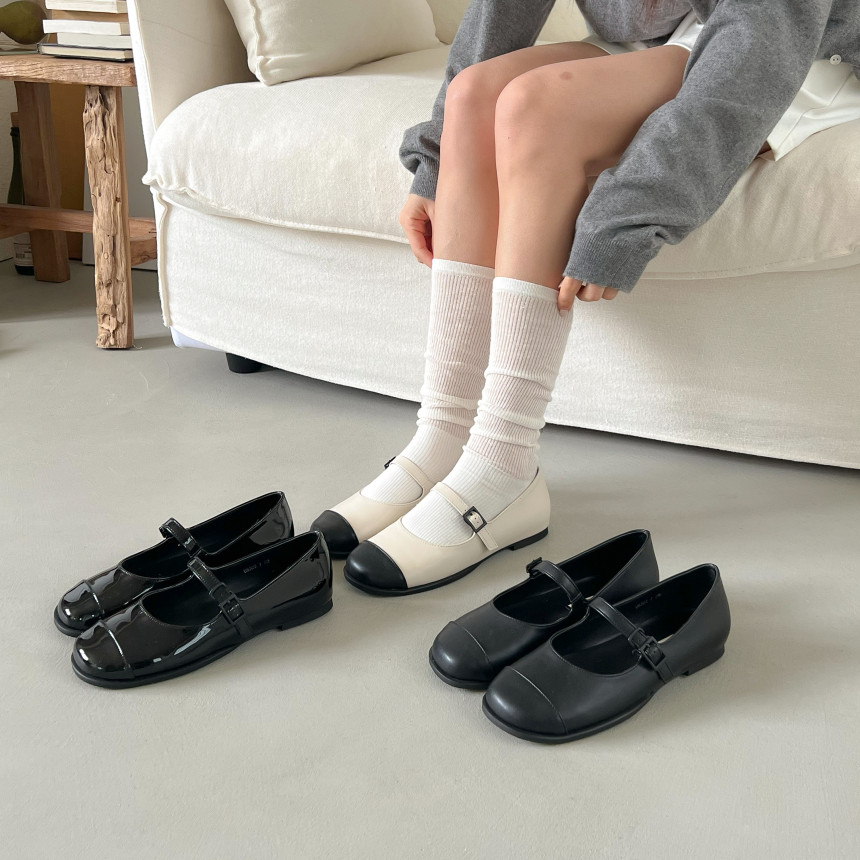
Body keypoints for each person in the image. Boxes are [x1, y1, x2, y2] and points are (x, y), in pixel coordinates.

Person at [312, 0, 860, 594]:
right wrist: (437, 166)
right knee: (476, 94)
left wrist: (631, 212)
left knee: (537, 106)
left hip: (795, 48)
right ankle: (443, 436)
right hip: (674, 35)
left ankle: (503, 462)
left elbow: (764, 33)